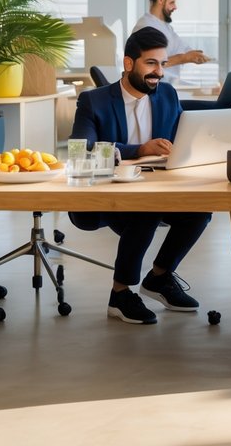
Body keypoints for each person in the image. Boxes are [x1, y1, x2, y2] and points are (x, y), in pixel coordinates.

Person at [68, 27, 209, 325]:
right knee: (145, 211)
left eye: (163, 64)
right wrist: (139, 149)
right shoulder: (94, 101)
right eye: (151, 64)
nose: (159, 72)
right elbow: (85, 148)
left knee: (200, 211)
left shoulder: (168, 95)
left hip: (158, 186)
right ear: (129, 63)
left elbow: (179, 139)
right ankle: (120, 295)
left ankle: (159, 277)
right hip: (103, 193)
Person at [133, 0, 209, 81]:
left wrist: (194, 55)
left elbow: (181, 46)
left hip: (169, 84)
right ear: (160, 0)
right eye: (172, 2)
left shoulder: (165, 26)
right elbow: (150, 63)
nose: (175, 7)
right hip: (153, 87)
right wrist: (185, 58)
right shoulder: (145, 26)